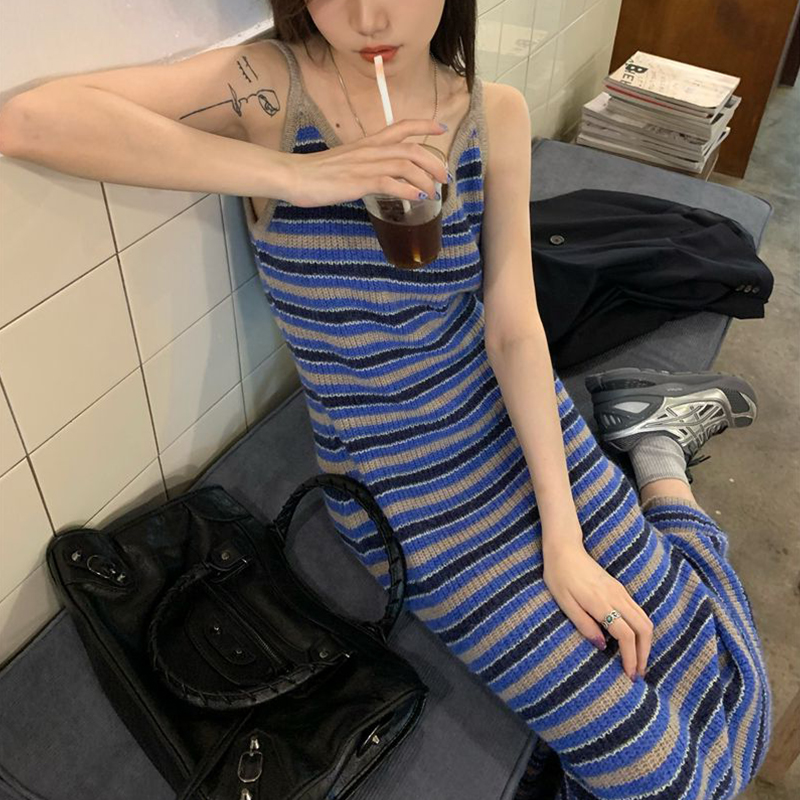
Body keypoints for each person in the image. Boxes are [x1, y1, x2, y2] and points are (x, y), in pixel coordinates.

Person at [0, 1, 771, 797]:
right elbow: (29, 121)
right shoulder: (269, 89)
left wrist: (565, 538)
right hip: (394, 474)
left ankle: (658, 464)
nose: (369, 15)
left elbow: (513, 330)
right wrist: (299, 174)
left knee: (734, 701)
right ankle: (661, 459)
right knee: (659, 776)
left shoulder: (493, 113)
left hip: (515, 421)